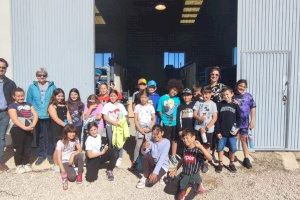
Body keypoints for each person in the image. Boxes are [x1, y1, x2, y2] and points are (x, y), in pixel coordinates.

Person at [169, 129, 212, 200]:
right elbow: (182, 160)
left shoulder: (198, 150)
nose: (185, 140)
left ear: (193, 138)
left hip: (194, 176)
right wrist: (175, 169)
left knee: (185, 197)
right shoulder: (185, 149)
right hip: (185, 174)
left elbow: (210, 158)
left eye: (187, 138)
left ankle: (198, 185)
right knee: (174, 192)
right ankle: (194, 186)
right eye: (183, 138)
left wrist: (201, 147)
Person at [27, 67, 56, 165]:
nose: (42, 77)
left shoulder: (52, 86)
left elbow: (55, 99)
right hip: (37, 116)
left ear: (46, 76)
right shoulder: (32, 87)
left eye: (44, 75)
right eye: (39, 75)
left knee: (49, 136)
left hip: (49, 115)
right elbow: (29, 101)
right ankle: (41, 155)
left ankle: (49, 154)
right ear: (37, 76)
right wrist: (30, 115)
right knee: (39, 136)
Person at [8, 87, 38, 174]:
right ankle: (19, 165)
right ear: (14, 97)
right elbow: (15, 119)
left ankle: (26, 163)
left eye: (22, 96)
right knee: (19, 148)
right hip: (17, 129)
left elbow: (35, 114)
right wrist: (25, 128)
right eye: (18, 96)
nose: (21, 97)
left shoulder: (29, 104)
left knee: (27, 147)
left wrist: (33, 125)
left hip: (29, 129)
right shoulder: (12, 106)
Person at [215, 87, 241, 173]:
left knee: (233, 148)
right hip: (222, 133)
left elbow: (239, 119)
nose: (225, 96)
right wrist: (218, 131)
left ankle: (231, 163)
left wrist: (237, 129)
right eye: (224, 95)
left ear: (232, 94)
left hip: (232, 133)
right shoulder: (219, 105)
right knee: (220, 148)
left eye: (227, 94)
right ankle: (220, 163)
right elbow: (217, 120)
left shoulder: (235, 105)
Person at [193, 86, 217, 173]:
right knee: (198, 145)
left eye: (207, 94)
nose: (205, 96)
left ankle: (205, 162)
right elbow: (194, 114)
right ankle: (198, 161)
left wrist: (206, 128)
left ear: (211, 94)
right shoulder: (198, 103)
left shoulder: (213, 104)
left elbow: (214, 118)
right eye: (203, 94)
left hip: (208, 130)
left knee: (207, 146)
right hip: (198, 128)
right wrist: (199, 118)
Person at [130, 90, 155, 171]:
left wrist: (150, 128)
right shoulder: (137, 106)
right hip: (139, 127)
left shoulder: (150, 106)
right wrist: (139, 129)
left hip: (149, 127)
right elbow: (136, 119)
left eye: (145, 97)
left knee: (148, 145)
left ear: (148, 98)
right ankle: (135, 162)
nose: (143, 99)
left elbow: (153, 119)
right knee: (138, 145)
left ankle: (148, 163)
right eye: (142, 97)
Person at [102, 89, 128, 167]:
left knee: (119, 141)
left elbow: (125, 116)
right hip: (110, 126)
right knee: (111, 142)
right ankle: (113, 156)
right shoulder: (107, 105)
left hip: (119, 127)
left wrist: (119, 122)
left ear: (117, 96)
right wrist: (113, 122)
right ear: (109, 97)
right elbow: (105, 116)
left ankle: (119, 157)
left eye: (114, 96)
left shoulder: (121, 105)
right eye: (111, 96)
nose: (112, 97)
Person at [234, 79, 256, 169]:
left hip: (244, 122)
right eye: (240, 85)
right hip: (234, 122)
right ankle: (231, 157)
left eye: (243, 86)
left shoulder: (249, 96)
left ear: (245, 87)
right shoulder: (232, 95)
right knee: (233, 139)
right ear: (237, 86)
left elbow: (253, 107)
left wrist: (253, 119)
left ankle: (246, 158)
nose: (241, 88)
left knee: (244, 139)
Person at [54, 124, 84, 190]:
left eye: (73, 132)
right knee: (72, 178)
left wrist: (73, 155)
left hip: (72, 159)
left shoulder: (75, 139)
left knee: (81, 155)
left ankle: (79, 174)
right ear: (66, 133)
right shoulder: (60, 142)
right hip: (65, 161)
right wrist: (62, 170)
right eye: (70, 132)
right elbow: (59, 158)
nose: (72, 134)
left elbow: (80, 149)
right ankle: (72, 170)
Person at [0, 58, 16, 171]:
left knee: (1, 138)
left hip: (5, 113)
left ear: (6, 69)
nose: (1, 69)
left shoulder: (10, 83)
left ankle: (0, 162)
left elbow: (14, 100)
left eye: (3, 67)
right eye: (0, 67)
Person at [48, 88, 72, 155]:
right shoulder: (52, 106)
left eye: (62, 96)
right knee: (57, 144)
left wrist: (70, 124)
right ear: (54, 96)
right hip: (56, 128)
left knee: (64, 143)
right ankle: (55, 160)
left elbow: (68, 115)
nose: (60, 98)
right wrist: (66, 125)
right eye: (58, 96)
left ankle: (63, 157)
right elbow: (55, 118)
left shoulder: (65, 104)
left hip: (65, 127)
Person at [175, 88, 195, 159]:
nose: (186, 97)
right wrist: (180, 129)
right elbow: (178, 118)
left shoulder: (195, 104)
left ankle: (193, 156)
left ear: (191, 96)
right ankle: (183, 156)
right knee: (184, 142)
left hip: (192, 128)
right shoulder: (180, 106)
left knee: (192, 141)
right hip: (183, 128)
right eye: (184, 95)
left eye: (188, 95)